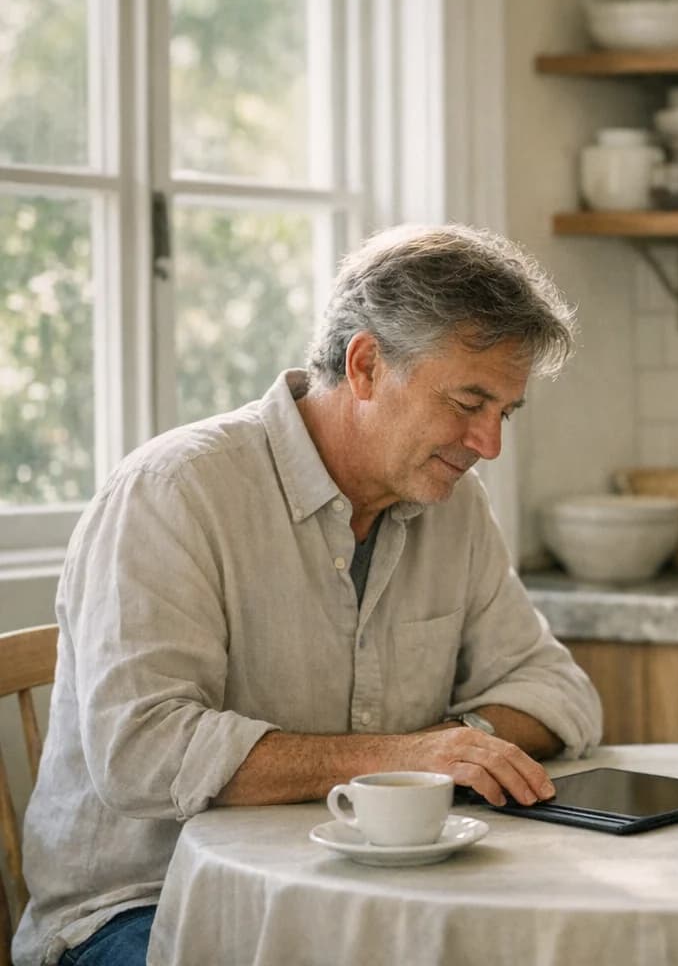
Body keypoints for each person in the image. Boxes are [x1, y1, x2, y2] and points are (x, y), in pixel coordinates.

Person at [14, 224, 604, 966]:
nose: (488, 444)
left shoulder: (456, 506)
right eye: (468, 402)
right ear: (365, 366)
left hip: (363, 890)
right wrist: (409, 756)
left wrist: (459, 749)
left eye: (504, 413)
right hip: (147, 906)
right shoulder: (173, 492)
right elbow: (142, 751)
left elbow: (560, 693)